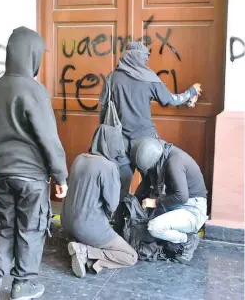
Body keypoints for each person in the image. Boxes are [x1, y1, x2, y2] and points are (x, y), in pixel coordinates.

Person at [0, 27, 68, 300]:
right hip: (30, 176)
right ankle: (23, 285)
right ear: (32, 55)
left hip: (2, 172)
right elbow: (48, 138)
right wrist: (61, 176)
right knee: (31, 228)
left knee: (6, 225)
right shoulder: (34, 90)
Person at [99, 42, 202, 200]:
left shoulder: (112, 78)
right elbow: (170, 100)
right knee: (152, 182)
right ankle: (141, 217)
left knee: (121, 185)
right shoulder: (149, 78)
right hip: (145, 141)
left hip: (119, 141)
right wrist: (191, 92)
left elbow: (104, 109)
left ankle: (119, 222)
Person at [61, 124, 138, 278]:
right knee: (130, 256)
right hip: (88, 227)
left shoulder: (79, 158)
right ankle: (86, 252)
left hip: (66, 223)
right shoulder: (108, 166)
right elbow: (112, 205)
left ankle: (81, 251)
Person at [131, 137, 208, 265]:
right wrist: (134, 202)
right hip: (178, 204)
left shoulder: (174, 162)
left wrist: (155, 203)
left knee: (154, 227)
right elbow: (145, 184)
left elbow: (181, 197)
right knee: (145, 222)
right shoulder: (160, 156)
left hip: (192, 208)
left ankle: (187, 240)